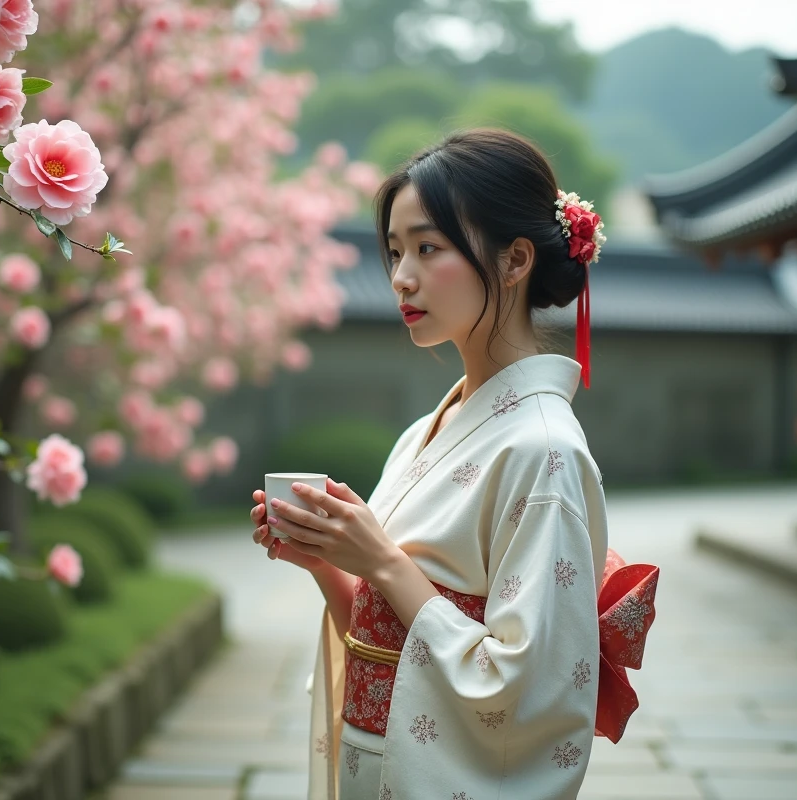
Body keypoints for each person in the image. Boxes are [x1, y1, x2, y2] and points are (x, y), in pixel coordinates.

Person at [249, 129, 657, 799]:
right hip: (378, 761)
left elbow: (531, 686)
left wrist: (383, 562)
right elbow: (385, 631)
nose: (401, 276)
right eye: (394, 251)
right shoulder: (423, 432)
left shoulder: (544, 448)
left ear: (515, 259)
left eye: (428, 248)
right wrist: (329, 563)